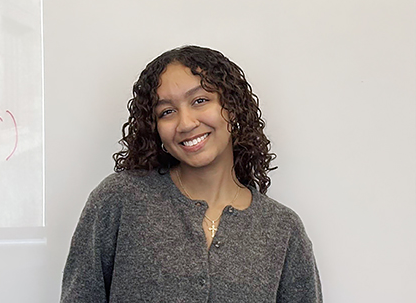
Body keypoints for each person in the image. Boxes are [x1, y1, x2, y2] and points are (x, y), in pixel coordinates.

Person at [61, 45, 321, 302]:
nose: (186, 123)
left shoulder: (282, 228)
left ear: (232, 107)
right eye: (167, 112)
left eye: (200, 100)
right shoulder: (120, 200)